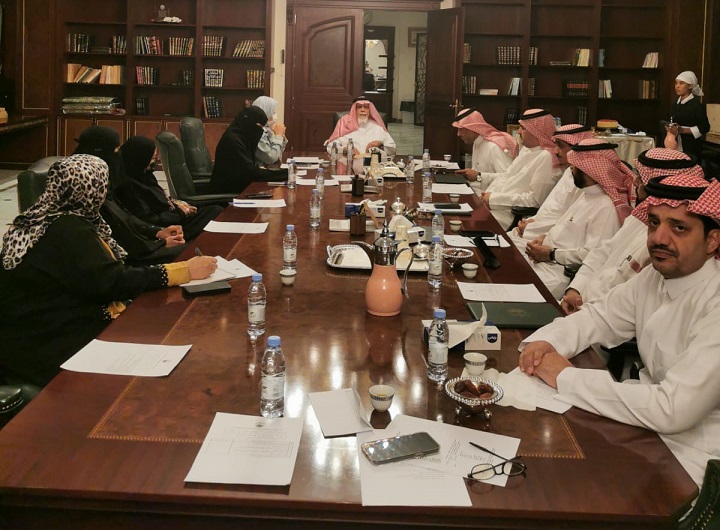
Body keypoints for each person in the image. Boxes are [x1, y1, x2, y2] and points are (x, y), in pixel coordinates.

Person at [518, 172, 720, 487]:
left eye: (679, 227)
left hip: (695, 460)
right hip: (641, 426)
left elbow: (673, 409)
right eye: (654, 223)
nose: (659, 238)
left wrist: (565, 377)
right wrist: (546, 344)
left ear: (712, 240)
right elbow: (599, 317)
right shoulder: (653, 277)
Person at [0, 155, 217, 387]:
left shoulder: (43, 218)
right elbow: (112, 282)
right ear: (92, 189)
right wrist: (185, 270)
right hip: (44, 346)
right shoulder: (67, 229)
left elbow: (102, 276)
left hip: (45, 330)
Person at [562, 148, 705, 314]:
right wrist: (575, 289)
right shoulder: (637, 217)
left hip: (602, 316)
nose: (635, 181)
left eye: (641, 177)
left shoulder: (666, 245)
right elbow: (602, 253)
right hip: (582, 304)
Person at [523, 138, 634, 298]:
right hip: (543, 262)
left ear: (589, 169)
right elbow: (564, 228)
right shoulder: (586, 195)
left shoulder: (605, 206)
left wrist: (551, 254)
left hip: (558, 274)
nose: (571, 168)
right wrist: (544, 238)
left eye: (575, 165)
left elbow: (593, 255)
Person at [73, 125, 187, 266]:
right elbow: (114, 233)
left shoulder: (107, 182)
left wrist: (157, 232)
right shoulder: (85, 188)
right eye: (115, 151)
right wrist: (158, 244)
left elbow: (126, 217)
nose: (118, 156)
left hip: (137, 246)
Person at [472, 109, 563, 230]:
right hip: (493, 206)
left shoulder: (546, 157)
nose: (518, 132)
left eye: (523, 128)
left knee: (466, 224)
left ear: (536, 132)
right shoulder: (527, 150)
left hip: (510, 215)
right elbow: (505, 176)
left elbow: (534, 201)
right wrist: (486, 196)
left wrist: (493, 199)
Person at [120, 136, 222, 241]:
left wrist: (180, 205)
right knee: (214, 216)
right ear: (141, 159)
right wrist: (181, 213)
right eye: (152, 158)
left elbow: (161, 197)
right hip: (166, 228)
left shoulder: (145, 174)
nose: (156, 160)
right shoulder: (129, 186)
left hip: (175, 216)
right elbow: (151, 220)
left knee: (215, 210)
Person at [509, 124, 594, 251]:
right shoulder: (569, 172)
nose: (555, 151)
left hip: (550, 240)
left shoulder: (584, 182)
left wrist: (531, 228)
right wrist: (531, 221)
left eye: (560, 146)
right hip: (538, 230)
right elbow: (549, 208)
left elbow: (568, 222)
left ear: (575, 147)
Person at [209, 105, 288, 194]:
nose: (260, 131)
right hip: (228, 194)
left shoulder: (242, 138)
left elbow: (248, 170)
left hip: (241, 189)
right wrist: (286, 174)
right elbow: (251, 173)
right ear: (248, 122)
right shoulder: (232, 141)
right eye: (259, 127)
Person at [452, 108, 517, 179]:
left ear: (472, 128)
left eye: (461, 129)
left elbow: (508, 178)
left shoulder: (494, 146)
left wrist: (479, 176)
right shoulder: (477, 143)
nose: (458, 134)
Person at [662, 71, 711, 162]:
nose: (677, 86)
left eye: (681, 83)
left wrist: (682, 130)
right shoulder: (675, 104)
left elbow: (705, 127)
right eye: (676, 83)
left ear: (690, 86)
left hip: (690, 148)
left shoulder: (696, 105)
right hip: (674, 146)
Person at [325, 96, 396, 157]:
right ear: (354, 110)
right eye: (359, 107)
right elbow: (330, 147)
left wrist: (381, 144)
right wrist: (344, 149)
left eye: (366, 107)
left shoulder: (378, 127)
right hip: (349, 165)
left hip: (372, 165)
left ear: (370, 110)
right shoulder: (345, 125)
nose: (362, 110)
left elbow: (393, 149)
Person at [251, 96, 287, 166]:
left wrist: (280, 135)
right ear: (265, 113)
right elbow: (271, 158)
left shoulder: (265, 129)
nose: (274, 115)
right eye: (272, 112)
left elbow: (277, 152)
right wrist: (278, 136)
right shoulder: (255, 131)